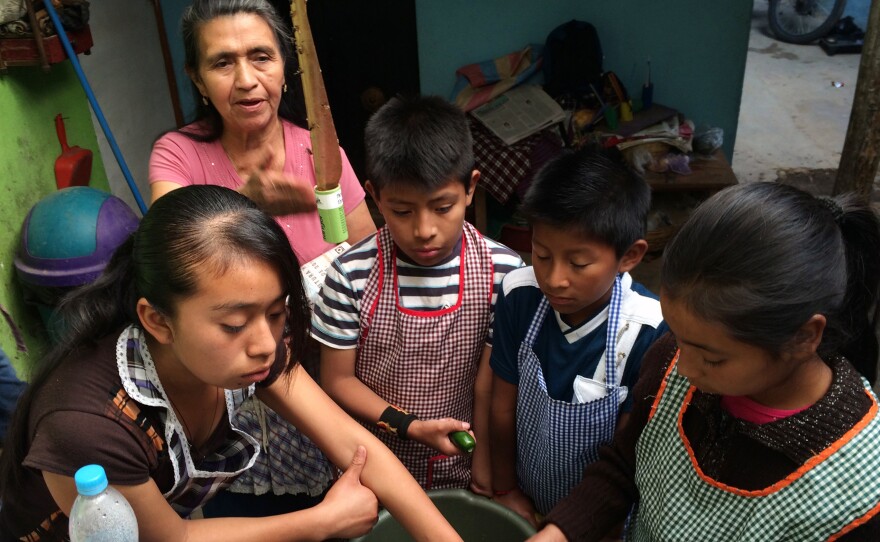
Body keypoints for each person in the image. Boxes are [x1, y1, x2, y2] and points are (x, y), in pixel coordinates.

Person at [0, 185, 461, 542]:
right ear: (157, 320)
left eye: (277, 313)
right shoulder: (87, 426)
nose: (265, 343)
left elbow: (351, 440)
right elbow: (171, 537)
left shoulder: (244, 353)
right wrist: (323, 521)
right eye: (235, 323)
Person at [532, 182, 880, 541]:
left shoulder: (859, 493)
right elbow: (625, 466)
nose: (683, 368)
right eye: (679, 339)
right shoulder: (673, 360)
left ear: (804, 337)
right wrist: (556, 533)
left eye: (712, 359)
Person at [148, 0, 377, 516]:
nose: (247, 79)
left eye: (261, 57)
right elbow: (170, 252)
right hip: (233, 422)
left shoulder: (321, 151)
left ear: (285, 69)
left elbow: (370, 262)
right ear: (198, 79)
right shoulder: (178, 155)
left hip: (330, 409)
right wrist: (245, 207)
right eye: (223, 62)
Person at [312, 95, 523, 493]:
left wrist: (485, 465)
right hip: (372, 464)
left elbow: (492, 384)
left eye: (441, 207)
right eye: (403, 211)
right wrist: (410, 426)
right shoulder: (351, 274)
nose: (424, 229)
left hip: (464, 464)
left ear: (470, 188)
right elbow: (337, 381)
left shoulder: (504, 273)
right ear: (375, 196)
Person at [488, 146, 668, 526]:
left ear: (629, 256)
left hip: (599, 522)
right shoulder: (518, 294)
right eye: (541, 254)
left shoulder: (648, 330)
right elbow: (502, 404)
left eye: (579, 263)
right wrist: (506, 489)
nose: (554, 279)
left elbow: (628, 455)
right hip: (525, 499)